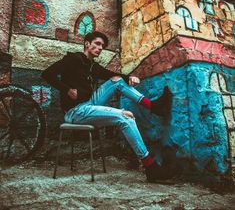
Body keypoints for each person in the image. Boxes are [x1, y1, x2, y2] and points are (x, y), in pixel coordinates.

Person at [41, 31, 172, 182]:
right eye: (97, 44)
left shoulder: (92, 66)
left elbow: (111, 74)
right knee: (126, 117)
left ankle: (153, 106)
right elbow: (47, 74)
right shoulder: (73, 59)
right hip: (75, 112)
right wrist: (67, 89)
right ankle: (151, 167)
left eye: (102, 46)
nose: (100, 48)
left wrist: (129, 78)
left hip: (90, 103)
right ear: (87, 43)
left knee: (116, 80)